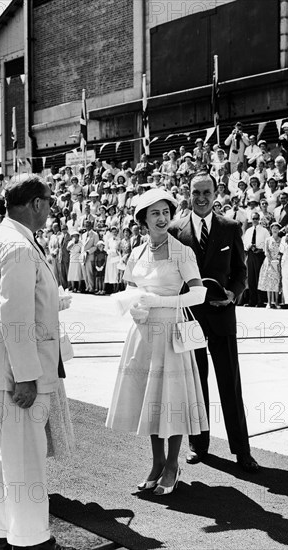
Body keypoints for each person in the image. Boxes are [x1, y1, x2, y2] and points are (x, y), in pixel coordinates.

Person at [0, 175, 75, 550]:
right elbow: (15, 319)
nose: (51, 208)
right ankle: (32, 541)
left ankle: (5, 534)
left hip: (2, 367)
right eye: (49, 201)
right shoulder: (19, 247)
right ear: (36, 204)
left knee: (4, 460)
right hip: (18, 374)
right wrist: (27, 376)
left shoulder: (3, 238)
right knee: (26, 462)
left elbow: (11, 305)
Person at [106, 189, 208, 494]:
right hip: (143, 334)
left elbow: (199, 293)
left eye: (166, 212)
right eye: (155, 214)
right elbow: (130, 288)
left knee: (171, 401)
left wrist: (157, 302)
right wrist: (135, 307)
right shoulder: (136, 252)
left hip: (171, 335)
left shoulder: (182, 252)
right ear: (143, 220)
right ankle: (156, 463)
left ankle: (172, 465)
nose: (162, 218)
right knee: (150, 402)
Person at [169, 172, 260, 473]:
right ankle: (199, 445)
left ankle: (242, 451)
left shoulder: (230, 227)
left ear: (216, 192)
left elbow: (240, 272)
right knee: (196, 383)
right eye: (196, 192)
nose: (202, 198)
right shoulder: (175, 230)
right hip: (190, 318)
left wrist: (232, 294)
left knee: (229, 383)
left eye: (207, 192)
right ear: (188, 193)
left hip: (222, 314)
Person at [243, 211, 270, 308]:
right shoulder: (248, 231)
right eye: (253, 219)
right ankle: (252, 300)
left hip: (260, 255)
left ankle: (260, 301)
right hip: (250, 254)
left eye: (256, 219)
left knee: (259, 277)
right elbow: (245, 243)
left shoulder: (264, 231)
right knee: (251, 278)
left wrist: (260, 249)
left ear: (259, 219)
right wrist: (249, 246)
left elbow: (267, 243)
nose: (255, 221)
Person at [258, 223, 282, 308]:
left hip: (277, 262)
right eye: (273, 228)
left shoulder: (281, 239)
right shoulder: (268, 239)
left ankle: (276, 302)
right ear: (271, 230)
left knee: (276, 281)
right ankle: (269, 302)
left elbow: (281, 250)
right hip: (269, 262)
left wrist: (277, 259)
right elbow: (266, 251)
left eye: (276, 228)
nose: (275, 230)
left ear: (279, 230)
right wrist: (271, 260)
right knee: (269, 282)